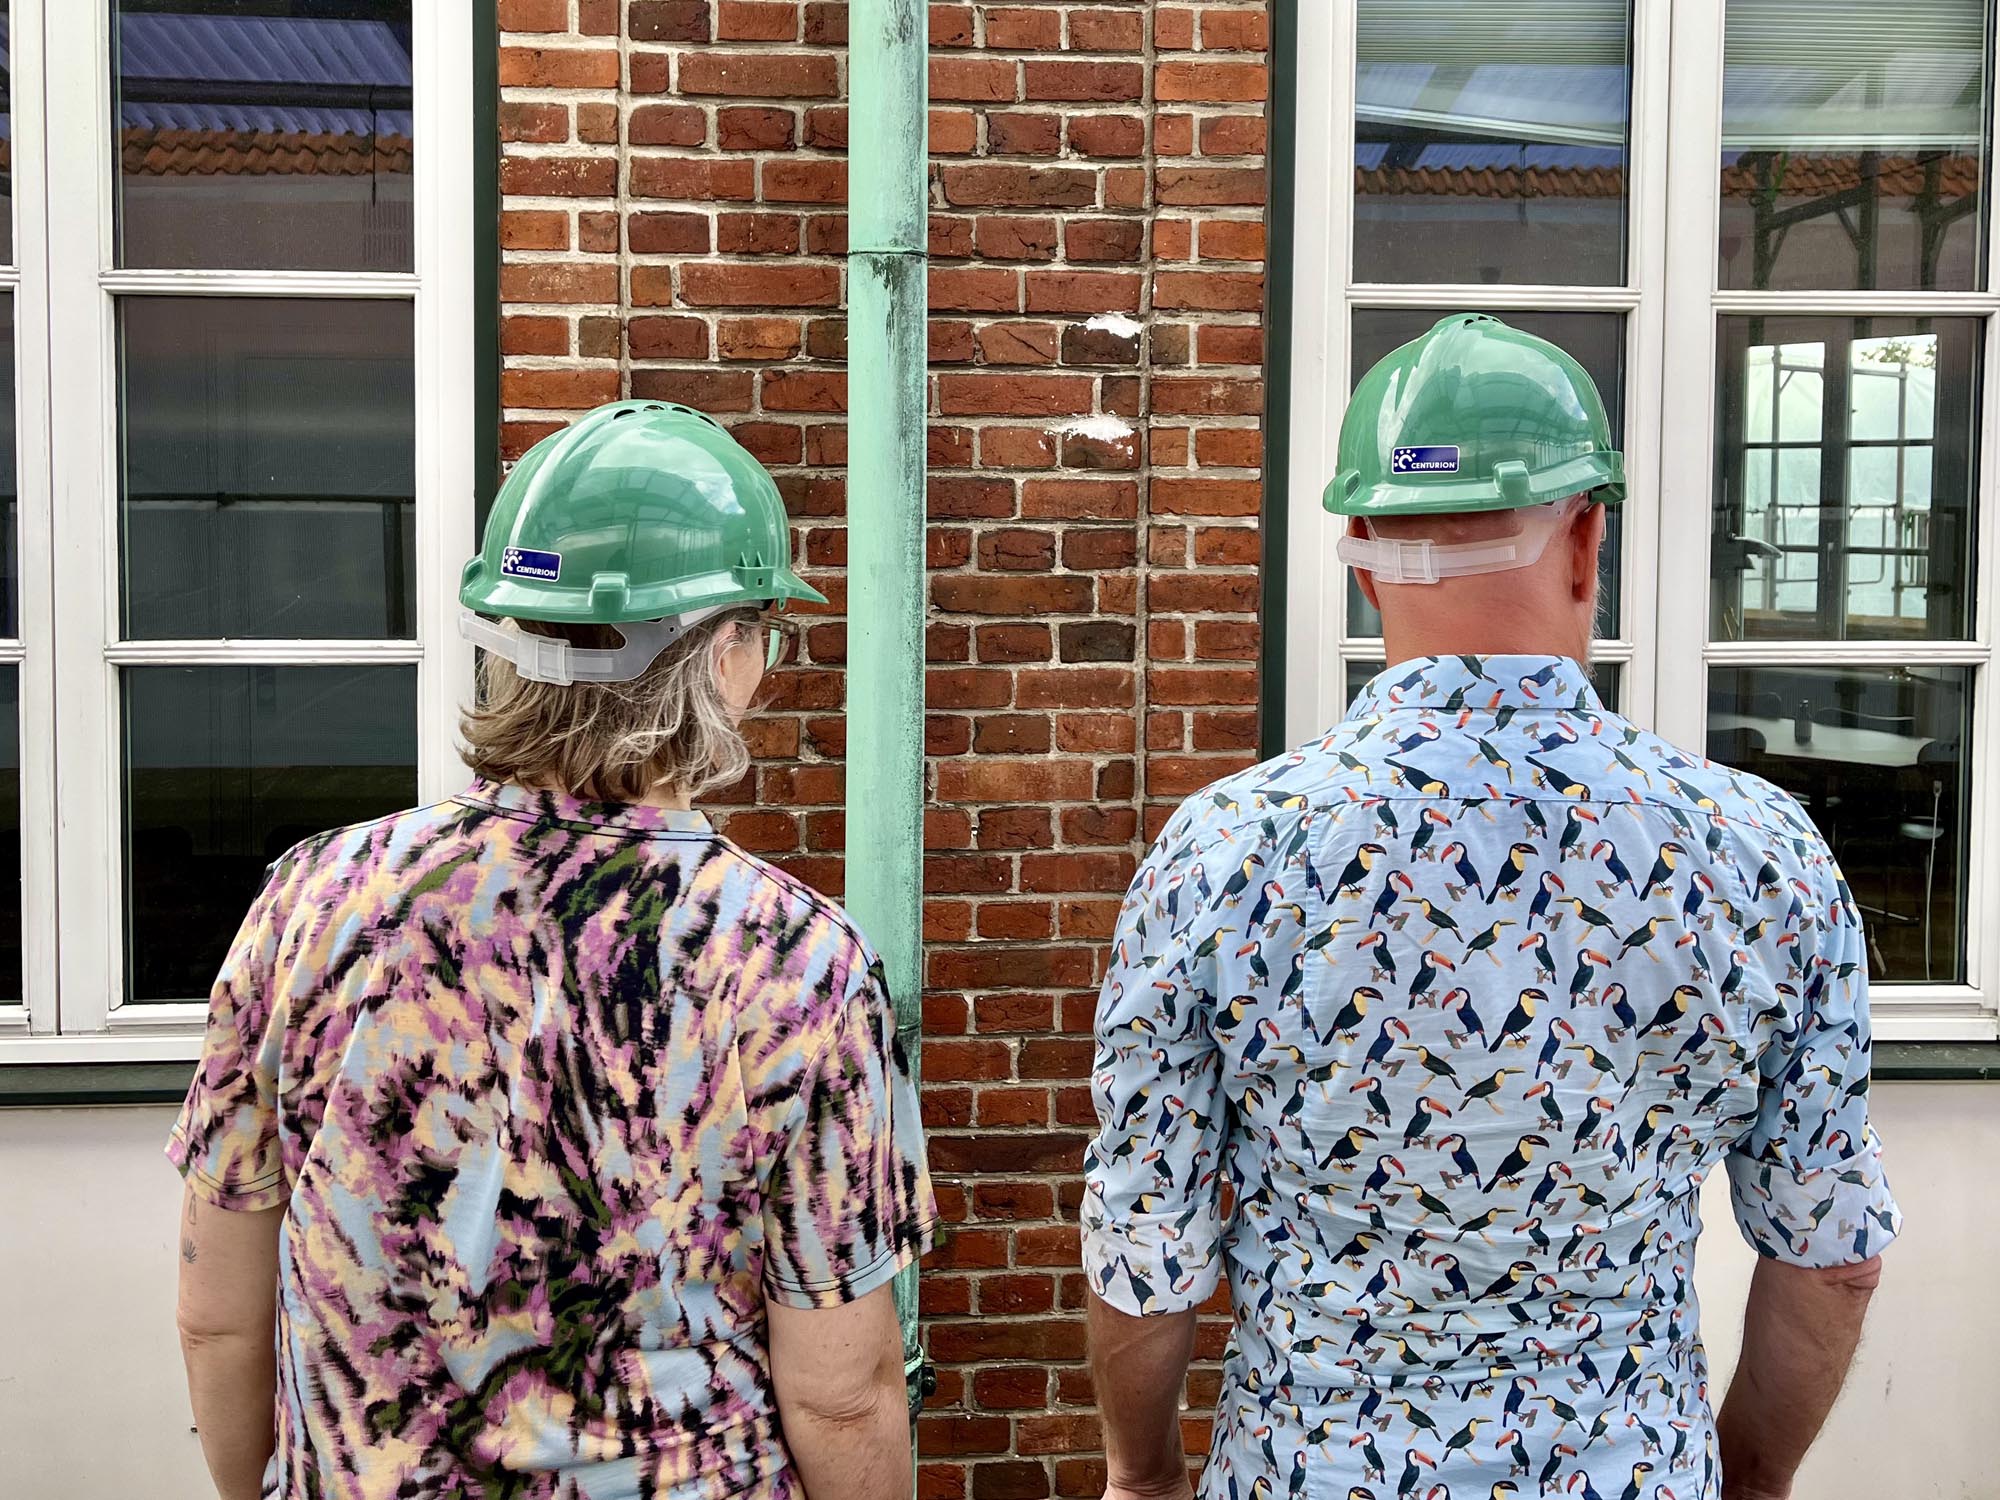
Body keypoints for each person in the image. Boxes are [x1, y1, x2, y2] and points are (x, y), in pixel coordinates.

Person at [1081, 315, 1899, 1500]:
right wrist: (1745, 1481)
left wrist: (1140, 1476)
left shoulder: (1221, 853)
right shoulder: (1758, 853)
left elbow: (1145, 1238)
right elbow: (1829, 1255)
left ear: (1358, 549)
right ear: (1586, 541)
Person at [169, 400, 936, 1500]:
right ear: (721, 659)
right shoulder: (797, 961)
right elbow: (840, 1392)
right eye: (759, 630)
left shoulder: (313, 901)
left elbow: (218, 1317)